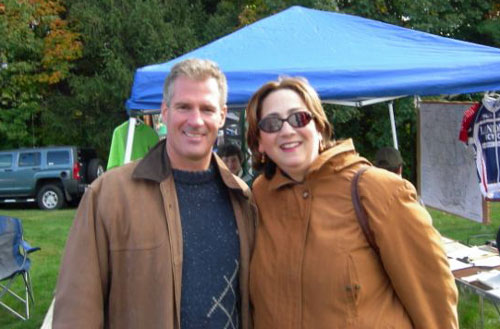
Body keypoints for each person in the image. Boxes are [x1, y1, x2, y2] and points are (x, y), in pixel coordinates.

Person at [53, 58, 255, 329]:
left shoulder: (242, 198)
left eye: (207, 109)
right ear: (165, 111)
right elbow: (77, 310)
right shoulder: (109, 195)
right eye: (184, 106)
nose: (195, 120)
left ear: (221, 116)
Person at [245, 76, 458, 329]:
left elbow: (434, 303)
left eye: (298, 118)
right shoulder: (258, 198)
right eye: (271, 123)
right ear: (259, 142)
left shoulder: (379, 191)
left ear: (320, 127)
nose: (287, 130)